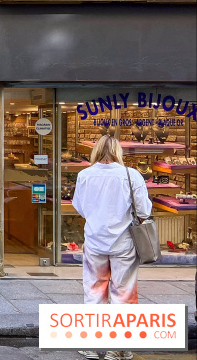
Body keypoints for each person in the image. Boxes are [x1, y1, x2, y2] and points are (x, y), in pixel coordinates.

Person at [72, 134, 151, 360]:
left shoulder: (85, 175)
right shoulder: (131, 175)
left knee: (94, 291)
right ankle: (117, 348)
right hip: (124, 242)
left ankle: (91, 344)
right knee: (123, 293)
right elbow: (144, 211)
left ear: (95, 150)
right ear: (118, 151)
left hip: (95, 240)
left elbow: (80, 207)